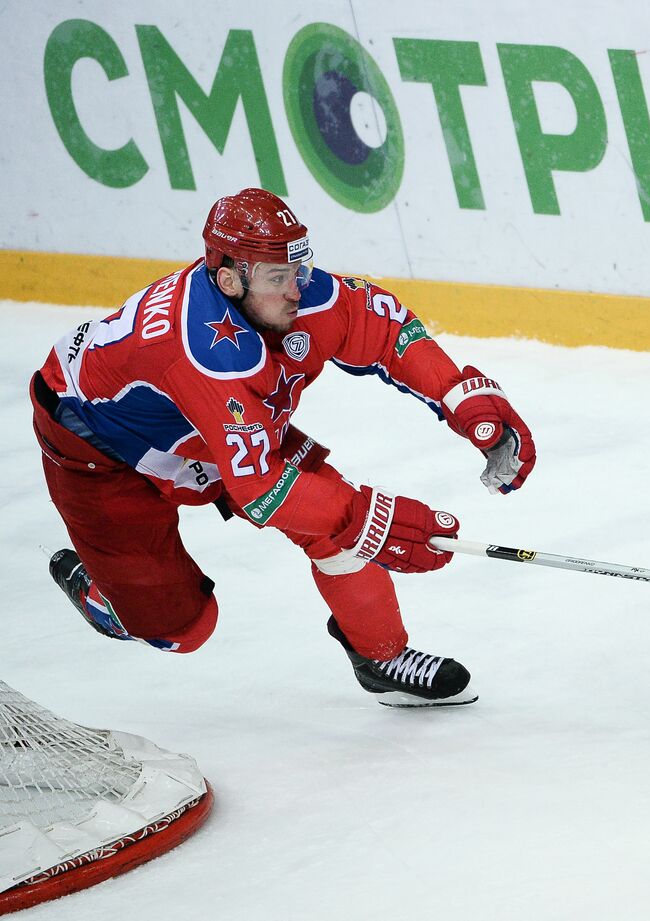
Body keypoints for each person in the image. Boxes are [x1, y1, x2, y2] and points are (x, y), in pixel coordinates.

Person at [32, 188, 536, 707]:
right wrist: (368, 516)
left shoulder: (288, 293)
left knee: (334, 525)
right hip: (100, 447)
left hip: (213, 426)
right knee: (182, 628)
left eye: (299, 269)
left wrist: (462, 396)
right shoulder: (205, 354)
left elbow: (388, 331)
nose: (297, 289)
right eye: (278, 278)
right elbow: (260, 488)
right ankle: (107, 595)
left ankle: (380, 657)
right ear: (229, 279)